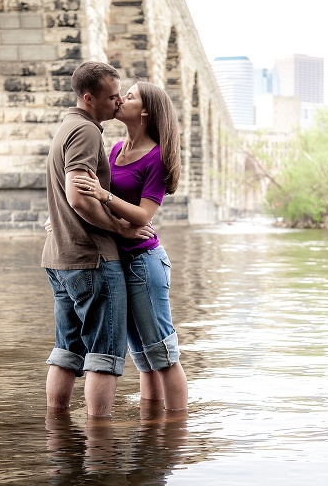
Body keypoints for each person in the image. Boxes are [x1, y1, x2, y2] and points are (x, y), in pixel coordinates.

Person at [41, 61, 152, 417]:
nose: (118, 102)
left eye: (122, 95)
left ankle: (57, 430)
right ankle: (99, 442)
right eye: (112, 96)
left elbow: (66, 194)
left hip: (60, 258)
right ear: (89, 98)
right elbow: (78, 196)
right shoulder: (88, 132)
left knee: (66, 350)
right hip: (92, 259)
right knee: (104, 353)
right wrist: (119, 227)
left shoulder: (66, 127)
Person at [71, 81, 189, 411]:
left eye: (131, 96)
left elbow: (142, 216)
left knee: (162, 353)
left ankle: (176, 433)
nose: (122, 99)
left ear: (146, 111)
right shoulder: (116, 149)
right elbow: (94, 202)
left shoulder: (156, 158)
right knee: (143, 356)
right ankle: (151, 428)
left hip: (144, 262)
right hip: (119, 259)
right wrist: (66, 217)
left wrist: (104, 195)